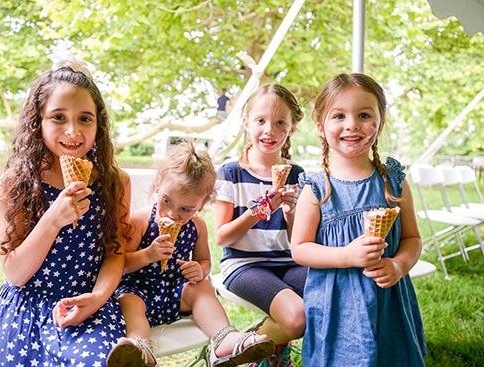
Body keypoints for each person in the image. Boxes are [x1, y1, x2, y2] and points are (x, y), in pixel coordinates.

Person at [0, 55, 130, 366]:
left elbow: (115, 253)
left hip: (88, 303)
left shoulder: (115, 183)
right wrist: (53, 219)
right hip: (28, 307)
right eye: (58, 117)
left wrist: (97, 298)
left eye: (85, 118)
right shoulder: (16, 183)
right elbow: (15, 273)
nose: (73, 131)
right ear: (37, 121)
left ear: (99, 125)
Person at [291, 73, 427, 366]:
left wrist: (399, 265)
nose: (352, 124)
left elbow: (412, 239)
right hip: (336, 304)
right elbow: (300, 249)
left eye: (364, 114)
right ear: (321, 127)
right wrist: (347, 255)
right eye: (339, 115)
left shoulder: (393, 182)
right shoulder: (317, 190)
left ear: (379, 123)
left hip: (388, 300)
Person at [108, 140, 275, 367]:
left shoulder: (197, 226)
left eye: (186, 209)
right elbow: (122, 265)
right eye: (167, 201)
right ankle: (140, 348)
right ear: (157, 185)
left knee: (203, 287)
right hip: (139, 290)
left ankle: (224, 338)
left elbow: (205, 261)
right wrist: (148, 255)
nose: (173, 213)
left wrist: (200, 269)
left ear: (202, 204)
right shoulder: (139, 221)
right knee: (129, 300)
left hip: (177, 291)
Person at [214, 83, 307, 367]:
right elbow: (222, 237)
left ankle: (265, 352)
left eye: (280, 123)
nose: (270, 130)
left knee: (335, 293)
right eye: (261, 121)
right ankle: (240, 351)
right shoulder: (231, 172)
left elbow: (298, 240)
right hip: (244, 264)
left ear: (291, 128)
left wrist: (291, 211)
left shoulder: (297, 173)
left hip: (287, 262)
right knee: (296, 318)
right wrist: (257, 212)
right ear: (246, 123)